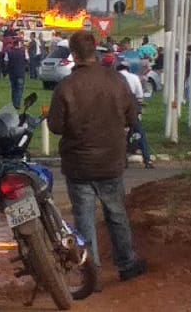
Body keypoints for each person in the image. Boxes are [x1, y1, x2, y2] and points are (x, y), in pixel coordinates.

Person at [46, 30, 147, 285]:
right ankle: (126, 263)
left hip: (79, 164)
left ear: (73, 54)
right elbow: (133, 118)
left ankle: (93, 273)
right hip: (111, 161)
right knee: (117, 214)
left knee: (84, 220)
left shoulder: (66, 87)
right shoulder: (116, 81)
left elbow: (56, 126)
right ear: (95, 51)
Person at [116, 60, 154, 168]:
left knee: (116, 134)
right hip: (132, 110)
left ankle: (122, 159)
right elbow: (140, 96)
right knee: (139, 133)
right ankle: (147, 159)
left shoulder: (114, 78)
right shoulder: (134, 77)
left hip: (118, 110)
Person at [5, 37, 28, 108]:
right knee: (20, 89)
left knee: (13, 88)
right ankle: (17, 103)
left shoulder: (8, 52)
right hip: (21, 72)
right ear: (19, 44)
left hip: (12, 72)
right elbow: (27, 59)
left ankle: (14, 102)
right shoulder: (24, 51)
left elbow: (6, 61)